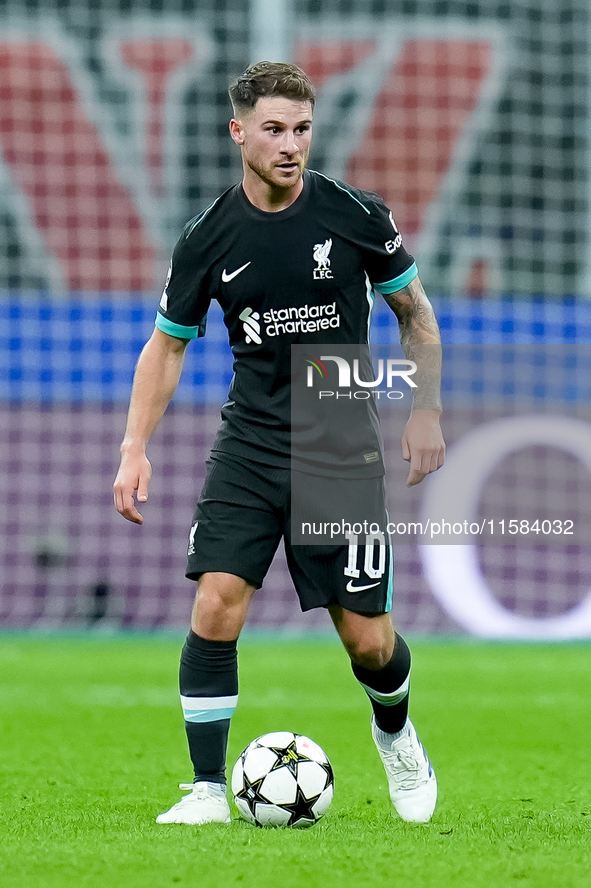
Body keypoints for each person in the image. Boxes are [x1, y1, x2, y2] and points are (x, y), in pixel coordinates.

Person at [113, 61, 445, 826]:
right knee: (215, 603)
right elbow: (167, 346)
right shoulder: (208, 237)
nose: (290, 144)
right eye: (273, 129)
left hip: (339, 453)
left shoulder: (354, 216)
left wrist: (424, 410)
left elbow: (415, 314)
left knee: (367, 642)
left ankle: (395, 735)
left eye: (300, 129)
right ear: (239, 133)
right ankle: (203, 790)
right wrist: (134, 446)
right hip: (252, 446)